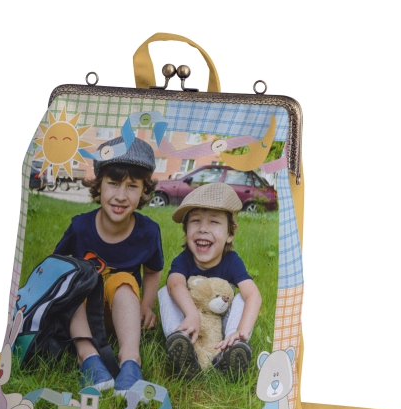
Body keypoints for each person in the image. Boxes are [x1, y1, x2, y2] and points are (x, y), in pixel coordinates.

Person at [54, 135, 163, 394]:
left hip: (122, 313)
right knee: (74, 281)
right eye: (113, 183)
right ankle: (88, 357)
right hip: (80, 315)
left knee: (123, 280)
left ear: (144, 190)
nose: (121, 196)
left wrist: (146, 305)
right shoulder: (80, 227)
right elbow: (55, 268)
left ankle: (130, 361)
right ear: (99, 184)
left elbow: (152, 270)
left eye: (132, 186)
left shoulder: (148, 232)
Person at [158, 182, 262, 378]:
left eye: (214, 222)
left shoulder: (232, 261)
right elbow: (175, 283)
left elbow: (253, 296)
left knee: (243, 297)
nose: (203, 229)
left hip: (221, 327)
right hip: (190, 323)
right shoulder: (184, 259)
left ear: (231, 233)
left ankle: (232, 347)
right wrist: (191, 314)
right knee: (167, 292)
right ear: (186, 230)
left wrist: (241, 330)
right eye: (195, 221)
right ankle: (179, 342)